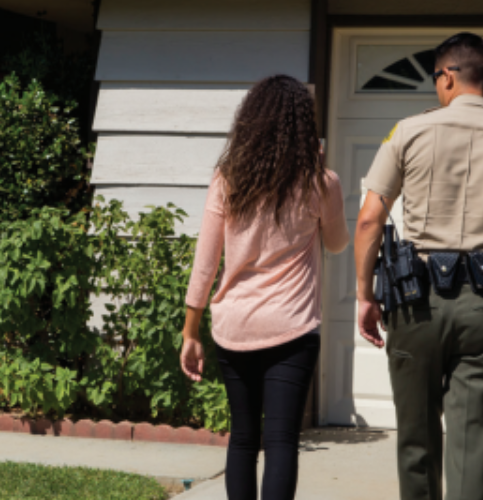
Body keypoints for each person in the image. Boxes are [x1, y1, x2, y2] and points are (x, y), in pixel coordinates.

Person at [353, 32, 483, 500]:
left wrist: (365, 295)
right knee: (473, 447)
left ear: (446, 76)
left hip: (414, 302)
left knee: (416, 441)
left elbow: (369, 220)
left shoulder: (408, 132)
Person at [179, 74, 349, 500]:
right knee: (280, 442)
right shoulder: (320, 182)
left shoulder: (227, 177)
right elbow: (336, 242)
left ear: (250, 120)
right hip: (293, 329)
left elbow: (206, 258)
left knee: (242, 437)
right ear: (302, 125)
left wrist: (190, 330)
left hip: (234, 326)